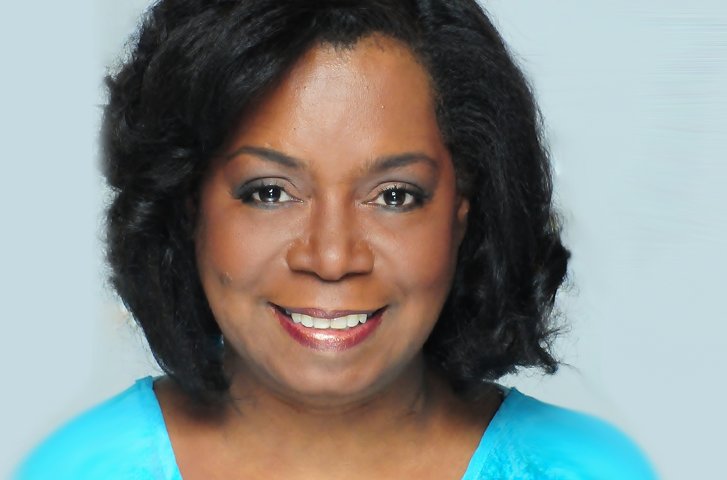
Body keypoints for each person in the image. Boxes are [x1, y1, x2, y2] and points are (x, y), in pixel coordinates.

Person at [18, 1, 656, 478]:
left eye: (394, 196)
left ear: (462, 212)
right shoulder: (72, 468)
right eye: (270, 192)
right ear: (189, 206)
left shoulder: (591, 469)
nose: (331, 258)